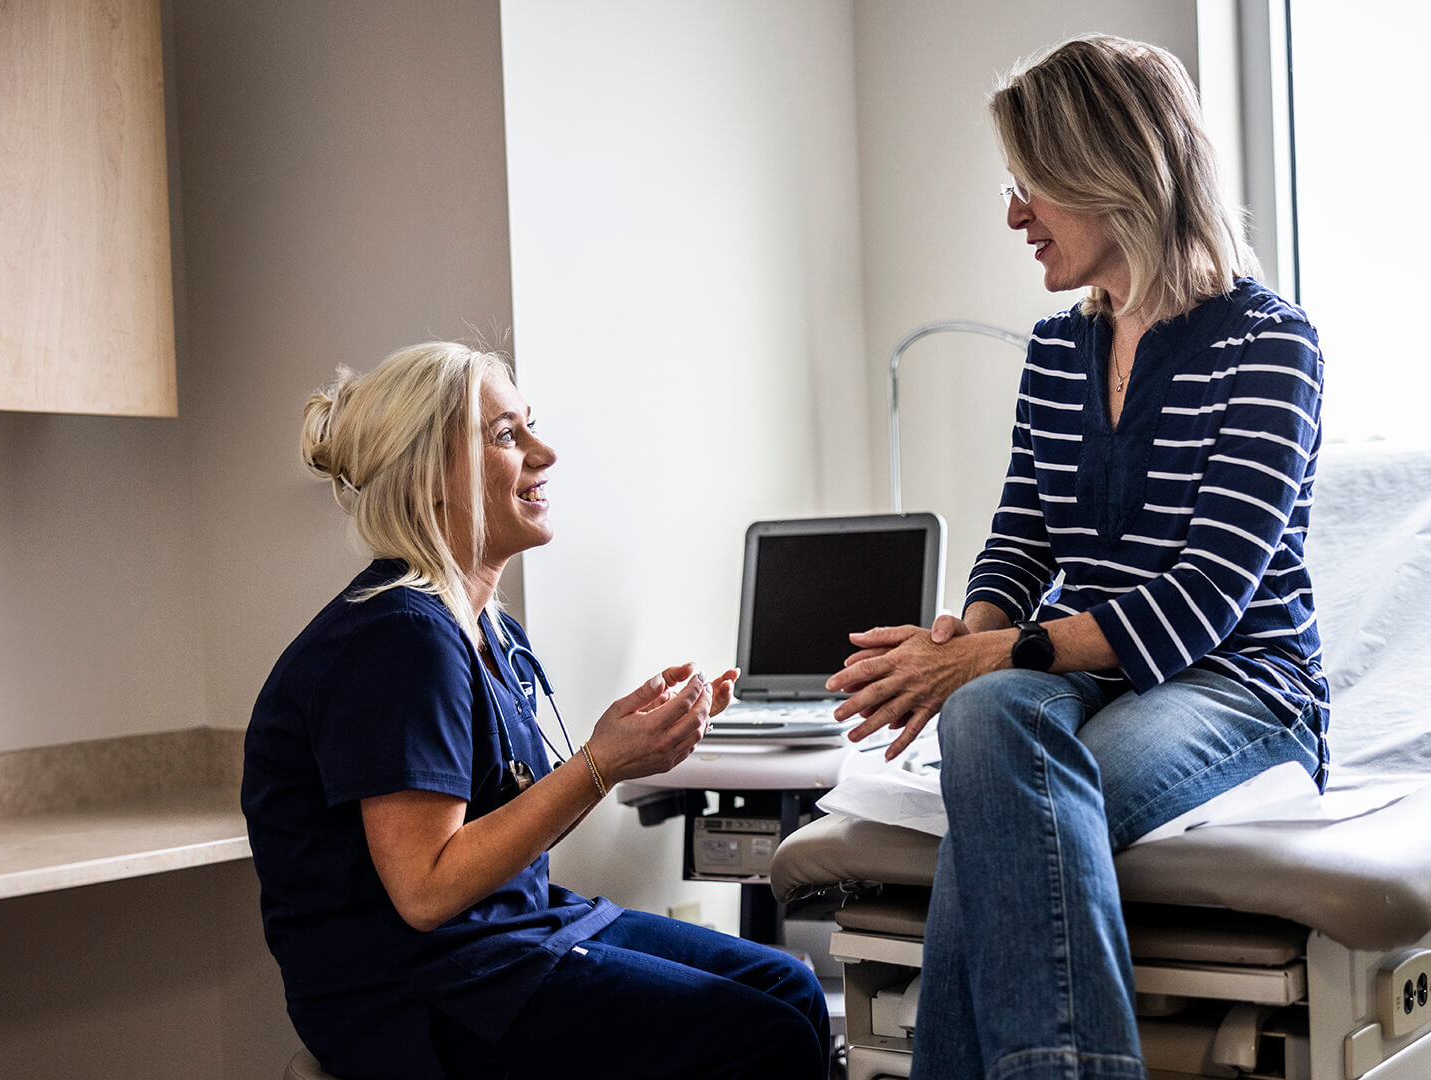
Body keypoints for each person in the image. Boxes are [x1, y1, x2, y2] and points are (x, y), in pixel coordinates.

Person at [825, 36, 1329, 1080]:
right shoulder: (1058, 350)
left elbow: (1203, 601)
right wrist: (959, 634)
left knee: (1010, 798)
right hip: (1088, 674)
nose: (1014, 214)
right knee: (990, 723)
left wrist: (995, 657)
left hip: (1240, 687)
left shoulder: (1271, 343)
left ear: (1116, 170)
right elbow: (1021, 537)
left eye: (1031, 184)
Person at [242, 342, 829, 1079]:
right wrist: (605, 762)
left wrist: (631, 742)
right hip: (419, 991)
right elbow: (426, 891)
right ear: (429, 476)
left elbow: (512, 809)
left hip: (512, 934)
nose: (544, 453)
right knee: (764, 1035)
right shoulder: (397, 638)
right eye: (506, 435)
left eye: (530, 426)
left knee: (792, 988)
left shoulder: (491, 631)